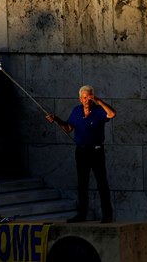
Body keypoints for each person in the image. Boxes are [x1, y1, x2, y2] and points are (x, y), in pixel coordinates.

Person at [46, 85, 116, 223]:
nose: (87, 100)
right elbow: (69, 128)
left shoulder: (99, 110)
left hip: (96, 151)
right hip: (82, 151)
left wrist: (98, 101)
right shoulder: (76, 111)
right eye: (84, 98)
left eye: (89, 97)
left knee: (102, 183)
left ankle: (107, 214)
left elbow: (112, 114)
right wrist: (57, 120)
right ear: (80, 98)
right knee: (82, 184)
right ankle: (81, 214)